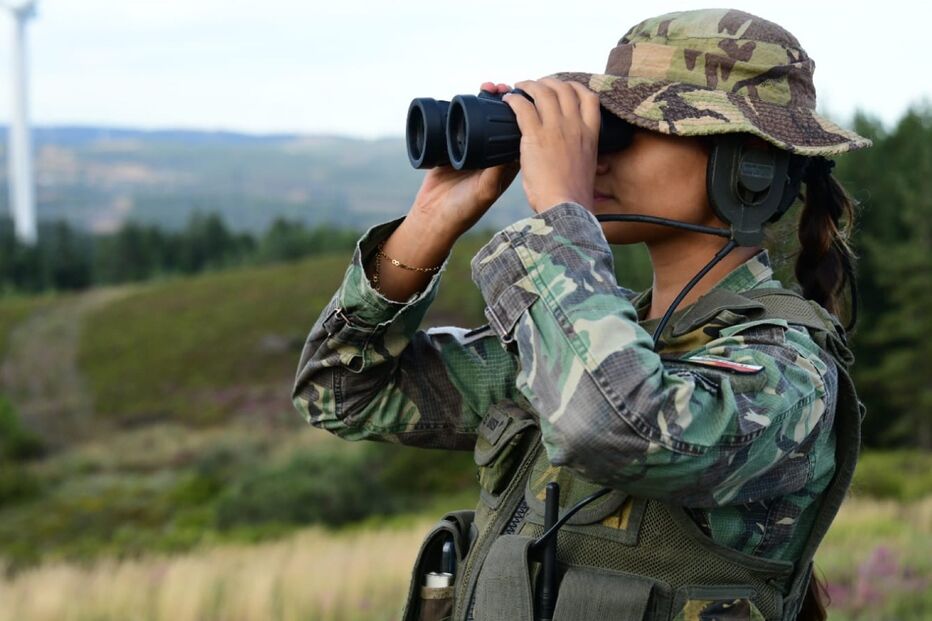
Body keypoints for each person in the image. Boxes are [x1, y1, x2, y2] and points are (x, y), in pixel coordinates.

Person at [293, 8, 870, 621]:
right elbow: (341, 392)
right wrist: (430, 225)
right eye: (598, 128)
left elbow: (614, 425)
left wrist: (560, 218)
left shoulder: (789, 374)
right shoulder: (583, 341)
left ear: (748, 166)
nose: (594, 156)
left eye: (625, 133)